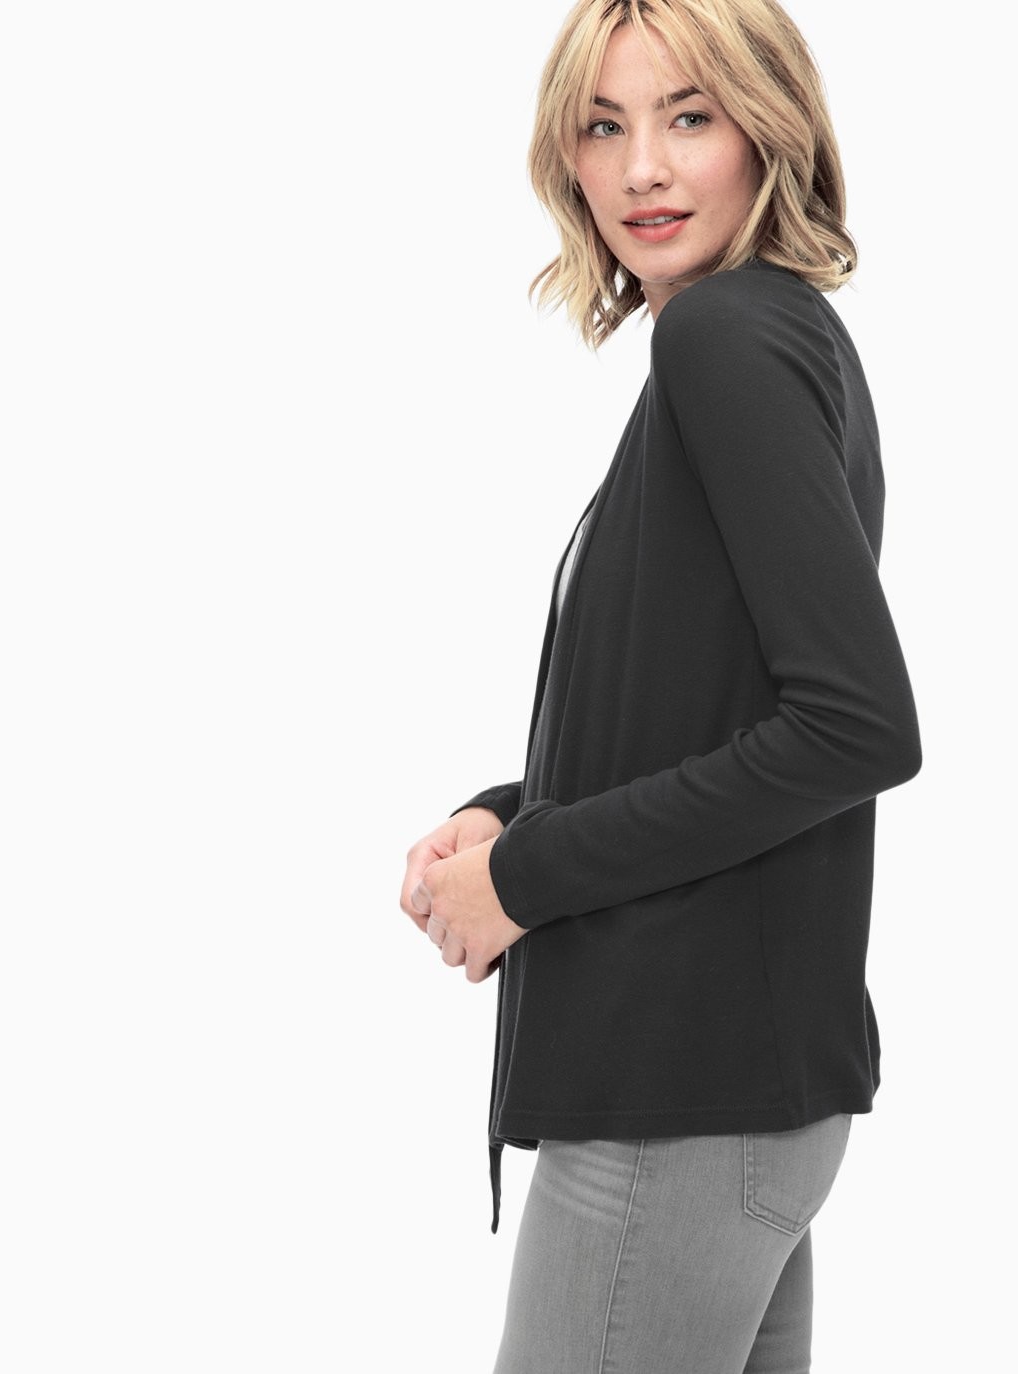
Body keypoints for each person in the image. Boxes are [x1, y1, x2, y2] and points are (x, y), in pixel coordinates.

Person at [399, 1, 922, 1369]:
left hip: (678, 1101)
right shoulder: (773, 336)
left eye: (690, 117)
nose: (642, 168)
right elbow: (722, 705)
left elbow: (854, 725)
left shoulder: (725, 341)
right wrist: (514, 812)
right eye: (603, 126)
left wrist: (527, 876)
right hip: (735, 1094)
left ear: (770, 128)